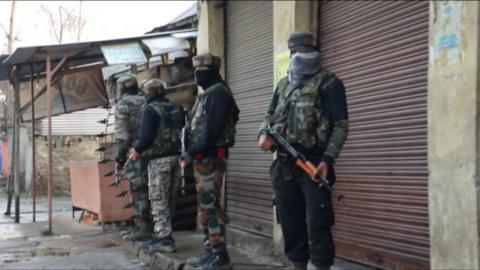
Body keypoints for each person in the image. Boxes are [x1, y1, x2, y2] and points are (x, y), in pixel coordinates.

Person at [257, 32, 349, 270]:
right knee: (290, 221)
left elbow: (340, 125)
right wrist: (262, 135)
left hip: (314, 163)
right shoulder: (283, 84)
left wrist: (327, 159)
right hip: (284, 163)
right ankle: (298, 265)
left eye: (305, 52)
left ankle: (321, 266)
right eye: (296, 52)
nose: (300, 57)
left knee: (318, 222)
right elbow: (268, 116)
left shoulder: (330, 83)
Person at [182, 53, 240, 270]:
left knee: (211, 207)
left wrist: (192, 151)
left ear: (212, 72)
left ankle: (221, 255)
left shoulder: (219, 94)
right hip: (203, 159)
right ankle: (210, 250)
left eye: (201, 71)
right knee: (205, 208)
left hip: (211, 159)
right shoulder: (207, 94)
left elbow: (211, 131)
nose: (197, 75)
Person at [128, 78, 184, 253]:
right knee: (169, 198)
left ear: (148, 94)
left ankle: (164, 238)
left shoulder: (149, 109)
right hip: (177, 157)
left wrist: (136, 150)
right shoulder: (177, 107)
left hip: (158, 160)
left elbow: (146, 136)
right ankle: (163, 232)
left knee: (158, 198)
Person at [114, 74, 152, 242]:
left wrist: (120, 159)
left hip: (135, 154)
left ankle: (143, 228)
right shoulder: (147, 100)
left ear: (121, 88)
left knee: (138, 190)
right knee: (155, 190)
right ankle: (156, 227)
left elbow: (123, 137)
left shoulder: (123, 105)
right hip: (154, 151)